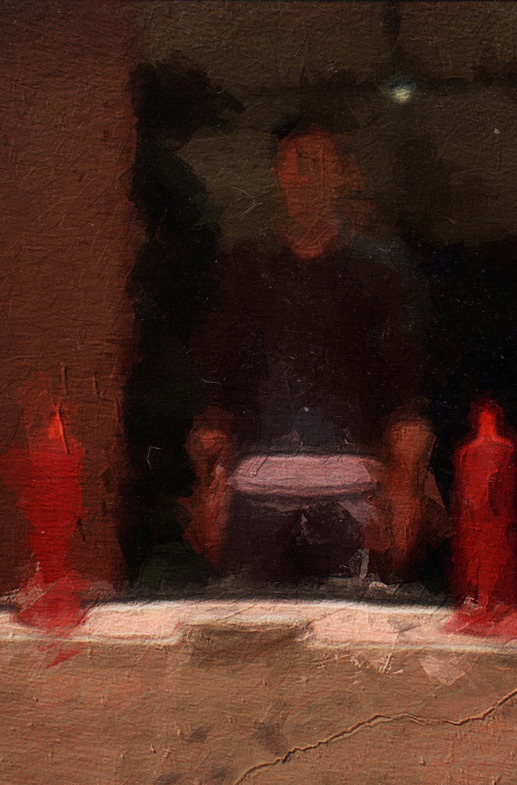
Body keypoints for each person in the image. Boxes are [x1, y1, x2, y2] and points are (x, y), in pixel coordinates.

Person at [183, 124, 436, 585]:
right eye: (295, 164)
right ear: (277, 173)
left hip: (355, 490)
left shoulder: (379, 274)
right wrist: (211, 481)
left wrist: (405, 489)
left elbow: (404, 400)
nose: (305, 177)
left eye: (319, 164)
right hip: (255, 489)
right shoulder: (246, 270)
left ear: (341, 174)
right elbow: (217, 393)